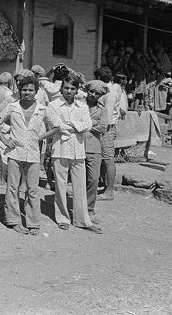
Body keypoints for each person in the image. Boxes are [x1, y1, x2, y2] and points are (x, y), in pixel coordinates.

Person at [0, 76, 56, 235]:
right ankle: (13, 220)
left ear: (36, 92)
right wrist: (5, 139)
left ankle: (33, 222)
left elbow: (56, 126)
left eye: (31, 90)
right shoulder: (12, 107)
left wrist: (41, 137)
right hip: (15, 153)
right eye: (24, 90)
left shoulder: (43, 109)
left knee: (32, 189)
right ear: (19, 90)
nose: (27, 93)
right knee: (13, 187)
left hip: (33, 154)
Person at [46, 75, 102, 234]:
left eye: (72, 88)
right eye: (66, 88)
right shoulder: (53, 105)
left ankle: (82, 219)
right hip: (60, 149)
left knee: (79, 186)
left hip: (78, 150)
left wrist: (70, 125)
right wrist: (75, 127)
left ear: (77, 90)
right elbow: (55, 125)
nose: (69, 91)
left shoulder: (82, 107)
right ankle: (62, 218)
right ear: (61, 88)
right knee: (61, 185)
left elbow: (88, 126)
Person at [94, 66, 122, 201]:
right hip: (103, 127)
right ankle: (105, 186)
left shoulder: (110, 93)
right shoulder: (105, 91)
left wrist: (100, 127)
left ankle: (109, 190)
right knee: (103, 159)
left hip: (107, 128)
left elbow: (108, 114)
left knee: (108, 159)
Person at [84, 80, 108, 225]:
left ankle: (90, 209)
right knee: (78, 180)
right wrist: (93, 123)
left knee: (93, 180)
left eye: (97, 93)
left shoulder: (102, 110)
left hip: (94, 148)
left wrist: (86, 124)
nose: (93, 95)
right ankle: (79, 209)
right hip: (78, 147)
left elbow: (103, 128)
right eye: (91, 91)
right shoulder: (79, 105)